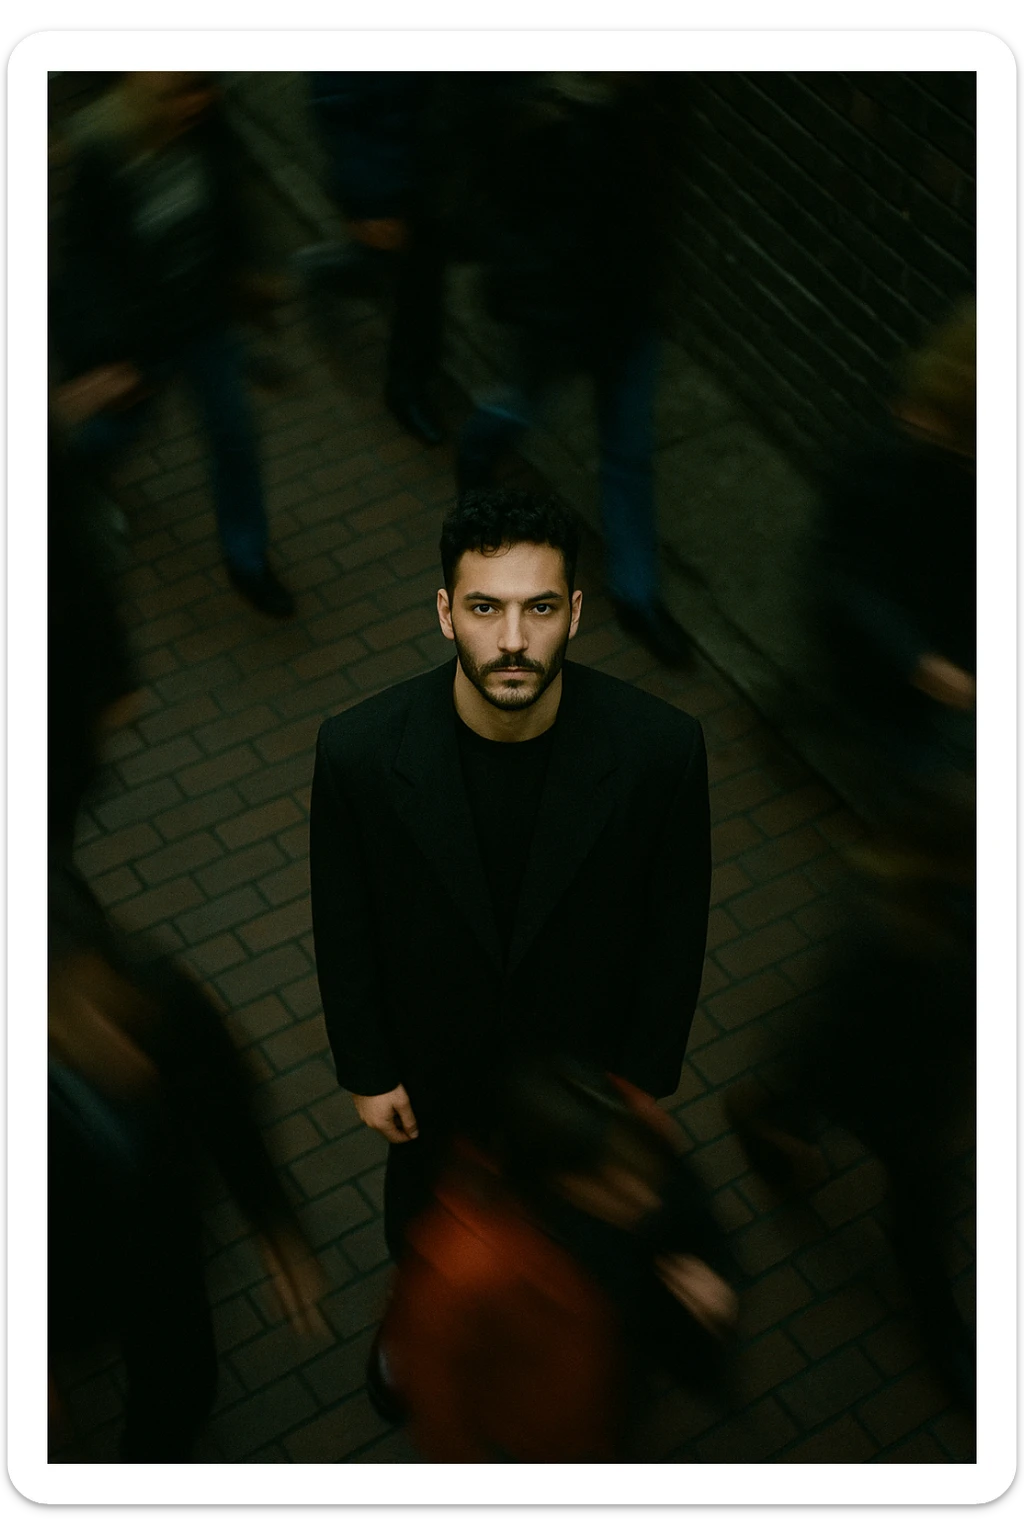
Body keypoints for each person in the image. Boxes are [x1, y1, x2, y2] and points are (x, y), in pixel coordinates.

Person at [309, 488, 712, 1387]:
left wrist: (640, 1085)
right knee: (421, 1224)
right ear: (447, 612)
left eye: (538, 608)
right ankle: (414, 1329)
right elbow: (344, 918)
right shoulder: (361, 755)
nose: (515, 640)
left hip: (578, 1079)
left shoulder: (661, 753)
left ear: (574, 611)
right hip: (432, 1070)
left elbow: (675, 928)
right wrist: (366, 1067)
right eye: (486, 608)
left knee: (570, 1239)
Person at [48, 863, 325, 1463]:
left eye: (111, 1003)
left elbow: (229, 1108)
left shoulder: (161, 993)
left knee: (181, 1386)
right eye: (72, 1016)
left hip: (162, 1250)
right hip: (58, 1280)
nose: (120, 1045)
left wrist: (274, 1221)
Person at [373, 1056, 737, 1462]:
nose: (643, 1199)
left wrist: (709, 1281)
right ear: (553, 1179)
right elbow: (436, 1396)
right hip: (547, 1432)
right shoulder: (465, 1265)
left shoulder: (628, 1126)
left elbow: (689, 1214)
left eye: (640, 1174)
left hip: (610, 1388)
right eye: (614, 1188)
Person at [450, 73, 694, 669]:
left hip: (626, 313)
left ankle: (638, 595)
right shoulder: (536, 116)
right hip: (557, 314)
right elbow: (503, 218)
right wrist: (541, 302)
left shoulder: (651, 106)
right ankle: (478, 444)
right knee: (523, 405)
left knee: (628, 455)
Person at [52, 71, 295, 618]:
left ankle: (248, 561)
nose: (197, 102)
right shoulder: (106, 156)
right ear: (142, 98)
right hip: (140, 336)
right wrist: (102, 356)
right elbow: (84, 265)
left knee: (234, 437)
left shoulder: (208, 128)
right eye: (180, 92)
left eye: (203, 87)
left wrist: (250, 272)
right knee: (118, 428)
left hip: (203, 321)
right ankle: (69, 478)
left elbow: (230, 203)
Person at [298, 72, 447, 445]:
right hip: (392, 176)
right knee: (413, 281)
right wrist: (369, 202)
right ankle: (406, 389)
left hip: (434, 163)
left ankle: (416, 370)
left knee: (424, 276)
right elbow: (341, 114)